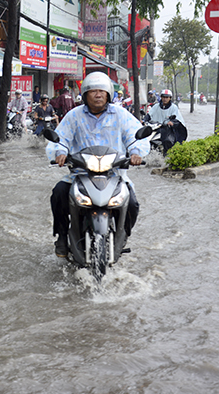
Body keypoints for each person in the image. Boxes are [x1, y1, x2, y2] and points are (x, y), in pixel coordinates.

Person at [46, 71, 150, 258]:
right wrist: (60, 152)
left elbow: (135, 136)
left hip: (114, 174)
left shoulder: (120, 114)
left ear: (109, 94)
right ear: (85, 95)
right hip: (79, 173)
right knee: (58, 194)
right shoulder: (74, 116)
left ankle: (123, 234)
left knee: (132, 203)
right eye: (93, 91)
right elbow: (60, 139)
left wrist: (136, 153)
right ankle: (61, 236)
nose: (98, 94)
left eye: (102, 91)